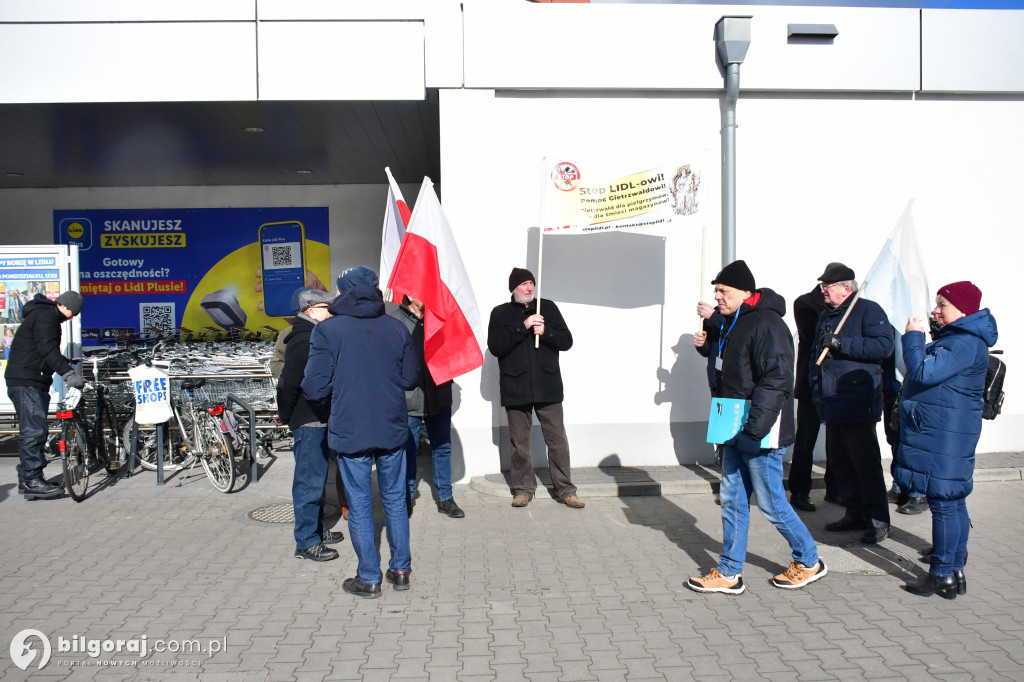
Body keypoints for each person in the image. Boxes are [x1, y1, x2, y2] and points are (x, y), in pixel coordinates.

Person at [687, 260, 825, 595]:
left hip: (758, 431)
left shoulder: (767, 324)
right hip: (732, 427)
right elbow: (730, 368)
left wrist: (753, 432)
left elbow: (776, 381)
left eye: (724, 291)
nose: (718, 296)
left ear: (746, 293)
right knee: (732, 499)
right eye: (716, 290)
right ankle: (730, 571)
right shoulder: (735, 321)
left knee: (771, 502)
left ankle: (808, 560)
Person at [302, 266, 419, 598]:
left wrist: (338, 398)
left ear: (345, 292)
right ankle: (400, 570)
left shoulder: (328, 331)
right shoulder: (397, 328)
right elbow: (411, 379)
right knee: (395, 500)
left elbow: (313, 386)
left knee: (360, 502)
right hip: (392, 426)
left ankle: (369, 577)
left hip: (350, 427)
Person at [896, 282, 996, 599]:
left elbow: (924, 373)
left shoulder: (964, 344)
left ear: (963, 310)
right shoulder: (959, 340)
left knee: (943, 503)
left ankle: (941, 574)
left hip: (945, 436)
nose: (935, 310)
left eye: (942, 305)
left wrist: (913, 338)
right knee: (952, 500)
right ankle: (955, 568)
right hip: (946, 432)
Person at [810, 263, 895, 544]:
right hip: (833, 401)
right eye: (823, 286)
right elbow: (815, 355)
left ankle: (878, 520)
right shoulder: (827, 314)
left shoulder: (868, 310)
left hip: (858, 402)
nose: (823, 290)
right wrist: (815, 388)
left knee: (866, 465)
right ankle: (854, 513)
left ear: (846, 288)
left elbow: (884, 347)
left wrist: (842, 344)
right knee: (843, 465)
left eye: (828, 286)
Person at [487, 268, 583, 509]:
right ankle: (523, 489)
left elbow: (566, 341)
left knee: (558, 440)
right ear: (513, 289)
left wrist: (546, 331)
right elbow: (496, 346)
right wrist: (525, 325)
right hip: (515, 388)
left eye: (531, 283)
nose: (529, 288)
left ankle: (565, 489)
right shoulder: (500, 313)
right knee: (520, 443)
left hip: (547, 385)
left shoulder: (547, 308)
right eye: (523, 284)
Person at [277, 288, 345, 562]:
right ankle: (306, 541)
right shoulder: (304, 339)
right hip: (308, 420)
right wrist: (287, 413)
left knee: (316, 480)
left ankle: (315, 530)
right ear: (310, 311)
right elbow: (289, 382)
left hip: (316, 418)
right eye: (325, 306)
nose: (330, 311)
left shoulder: (314, 334)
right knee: (309, 482)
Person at [386, 295, 465, 519]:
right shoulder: (395, 321)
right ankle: (407, 495)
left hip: (437, 395)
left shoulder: (439, 319)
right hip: (408, 398)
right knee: (408, 450)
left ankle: (445, 497)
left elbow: (452, 350)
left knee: (442, 447)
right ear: (409, 295)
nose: (426, 295)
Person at [5, 291, 85, 498]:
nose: (72, 317)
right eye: (73, 313)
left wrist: (65, 363)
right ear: (65, 306)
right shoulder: (46, 317)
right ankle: (33, 480)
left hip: (26, 379)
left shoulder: (43, 314)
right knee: (34, 431)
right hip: (27, 380)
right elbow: (47, 349)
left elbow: (42, 348)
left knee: (30, 429)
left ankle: (27, 478)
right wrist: (67, 373)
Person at [788, 282, 826, 512]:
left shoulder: (849, 307)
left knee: (840, 443)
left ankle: (838, 488)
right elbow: (812, 334)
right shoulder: (805, 303)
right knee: (805, 440)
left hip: (838, 385)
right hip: (811, 383)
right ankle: (800, 491)